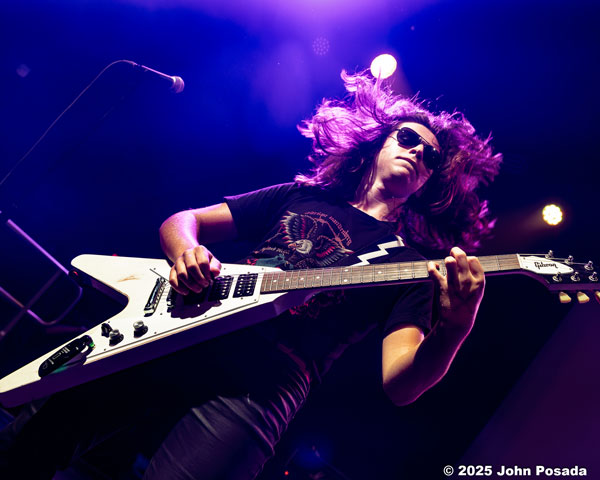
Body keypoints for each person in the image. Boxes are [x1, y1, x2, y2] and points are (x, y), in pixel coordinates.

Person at [0, 70, 501, 479]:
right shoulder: (302, 196)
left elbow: (401, 384)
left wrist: (456, 328)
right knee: (29, 442)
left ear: (429, 181)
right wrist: (187, 254)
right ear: (378, 143)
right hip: (180, 329)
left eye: (431, 157)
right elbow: (183, 220)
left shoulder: (408, 267)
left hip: (262, 386)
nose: (418, 152)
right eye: (408, 138)